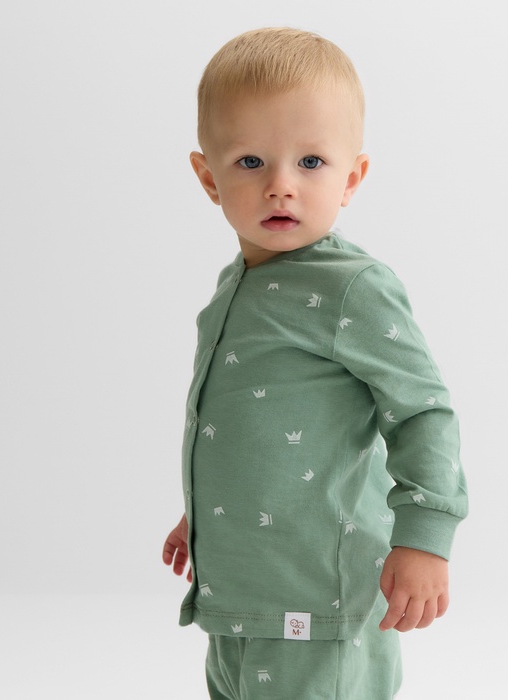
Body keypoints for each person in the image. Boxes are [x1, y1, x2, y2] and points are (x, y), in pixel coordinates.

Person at [162, 27, 468, 699]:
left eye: (310, 162)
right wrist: (204, 515)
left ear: (350, 177)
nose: (281, 186)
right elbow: (243, 429)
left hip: (317, 602)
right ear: (209, 177)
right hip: (239, 595)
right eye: (250, 161)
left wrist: (425, 535)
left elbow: (423, 411)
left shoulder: (352, 287)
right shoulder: (232, 287)